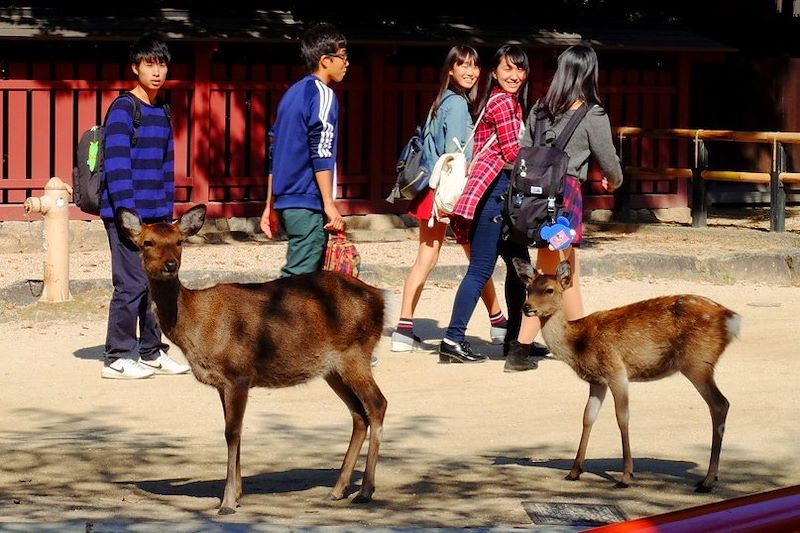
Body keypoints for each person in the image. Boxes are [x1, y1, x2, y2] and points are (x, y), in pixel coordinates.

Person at [505, 43, 623, 372]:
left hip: (532, 198)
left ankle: (575, 341)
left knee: (567, 272)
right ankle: (522, 350)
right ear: (589, 73)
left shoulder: (539, 109)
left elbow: (523, 152)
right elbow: (609, 160)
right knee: (553, 274)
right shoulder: (592, 114)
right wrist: (615, 181)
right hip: (564, 198)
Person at [390, 45, 510, 353]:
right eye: (463, 66)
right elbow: (461, 153)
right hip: (454, 193)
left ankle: (403, 329)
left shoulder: (441, 100)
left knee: (427, 259)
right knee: (479, 261)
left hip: (433, 193)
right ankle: (498, 324)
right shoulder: (457, 104)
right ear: (451, 70)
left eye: (474, 66)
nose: (470, 71)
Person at [100, 34, 190, 379]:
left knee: (159, 282)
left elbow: (167, 167)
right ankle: (117, 355)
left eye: (161, 64)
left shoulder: (161, 110)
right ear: (135, 67)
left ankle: (152, 350)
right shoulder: (124, 108)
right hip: (128, 216)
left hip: (157, 216)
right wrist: (128, 218)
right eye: (149, 64)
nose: (156, 71)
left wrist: (166, 216)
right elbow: (117, 164)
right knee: (130, 284)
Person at [438, 44, 533, 364]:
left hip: (502, 196)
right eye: (508, 69)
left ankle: (516, 341)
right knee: (481, 270)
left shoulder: (509, 103)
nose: (515, 75)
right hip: (492, 196)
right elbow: (511, 154)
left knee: (521, 269)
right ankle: (452, 340)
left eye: (520, 69)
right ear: (495, 72)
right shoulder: (502, 103)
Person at [259, 22, 347, 277]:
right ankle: (265, 317)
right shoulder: (323, 94)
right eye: (342, 56)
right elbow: (321, 149)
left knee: (306, 288)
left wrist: (271, 205)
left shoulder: (292, 94)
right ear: (325, 60)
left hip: (287, 201)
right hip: (307, 201)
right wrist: (329, 203)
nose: (346, 63)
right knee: (297, 285)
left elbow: (274, 152)